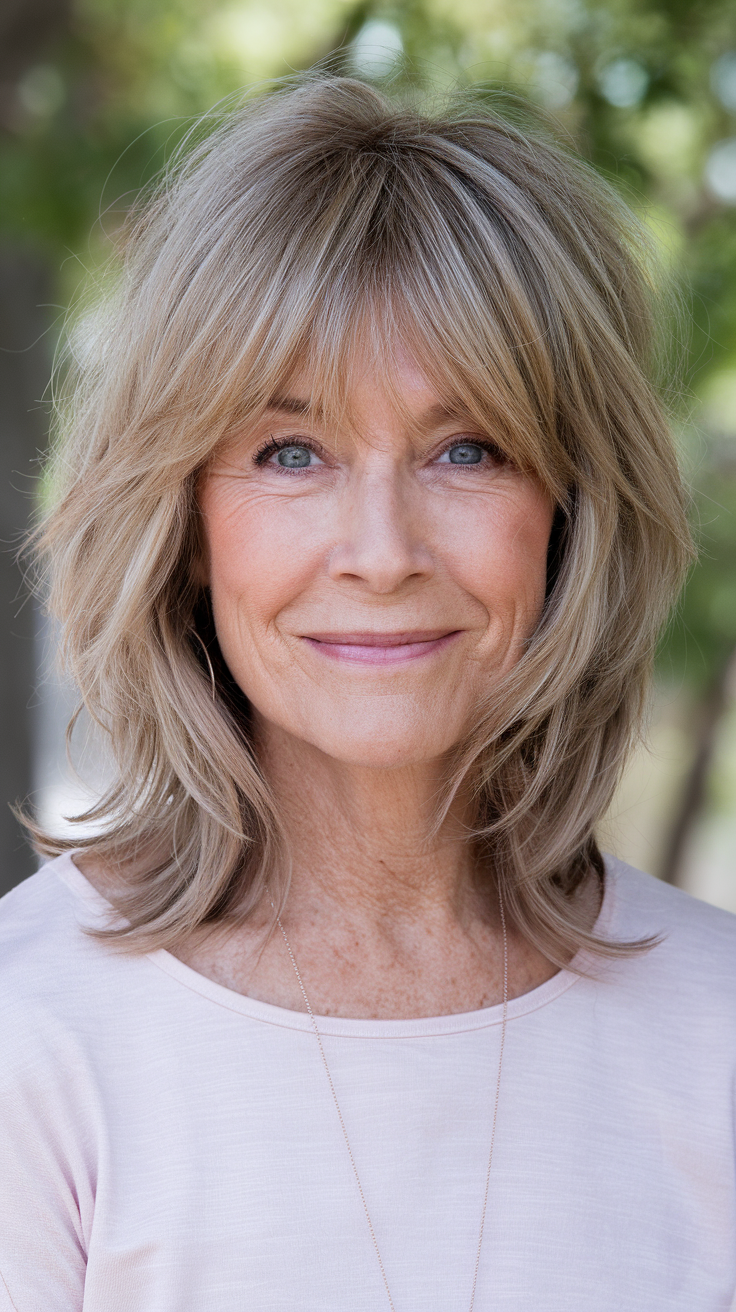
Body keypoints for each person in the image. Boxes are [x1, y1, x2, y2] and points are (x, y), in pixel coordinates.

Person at [1, 75, 734, 1312]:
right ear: (187, 522)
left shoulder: (717, 1035)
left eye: (468, 448)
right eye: (292, 452)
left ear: (570, 514)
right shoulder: (34, 1033)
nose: (382, 550)